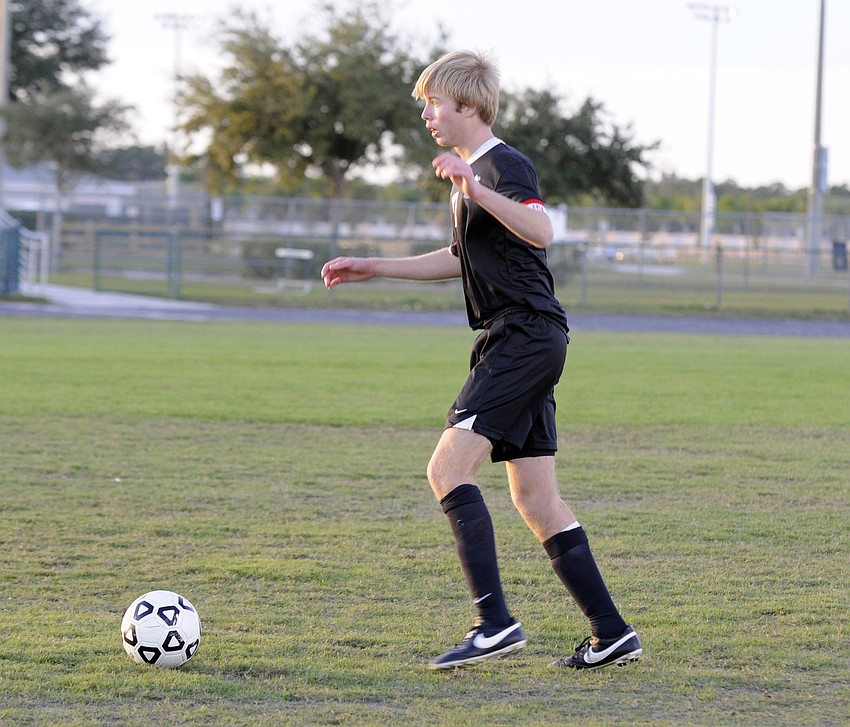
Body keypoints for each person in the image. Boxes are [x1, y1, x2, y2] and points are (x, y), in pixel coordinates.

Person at [321, 49, 641, 671]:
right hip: (525, 338)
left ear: (467, 104)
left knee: (448, 470)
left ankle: (493, 622)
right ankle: (612, 633)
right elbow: (460, 257)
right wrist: (373, 266)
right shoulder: (473, 175)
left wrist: (475, 188)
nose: (427, 116)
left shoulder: (501, 164)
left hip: (522, 336)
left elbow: (541, 231)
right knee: (536, 499)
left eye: (434, 103)